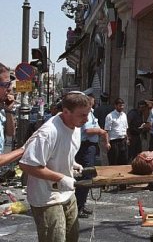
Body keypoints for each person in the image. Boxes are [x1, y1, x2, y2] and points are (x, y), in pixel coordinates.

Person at [19, 91, 92, 242]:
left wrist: (72, 164)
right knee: (55, 238)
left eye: (88, 114)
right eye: (82, 115)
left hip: (66, 192)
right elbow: (27, 165)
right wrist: (61, 178)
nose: (86, 119)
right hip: (46, 196)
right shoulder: (49, 132)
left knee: (72, 236)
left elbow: (61, 152)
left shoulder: (76, 126)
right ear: (66, 112)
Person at [75, 94, 110, 218]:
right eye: (91, 102)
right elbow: (88, 130)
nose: (92, 104)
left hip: (90, 146)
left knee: (87, 176)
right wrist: (101, 131)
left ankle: (81, 204)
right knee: (85, 176)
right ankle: (78, 207)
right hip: (86, 146)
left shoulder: (91, 113)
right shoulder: (87, 114)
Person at [104, 98, 129, 191]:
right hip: (114, 141)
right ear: (115, 106)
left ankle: (122, 183)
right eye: (120, 105)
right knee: (114, 162)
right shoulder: (110, 116)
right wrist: (107, 142)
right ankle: (112, 183)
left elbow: (125, 128)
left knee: (124, 162)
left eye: (122, 105)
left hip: (123, 140)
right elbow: (106, 131)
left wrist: (127, 139)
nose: (121, 107)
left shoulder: (124, 115)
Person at [94, 92, 114, 166]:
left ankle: (105, 167)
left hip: (102, 132)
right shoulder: (112, 108)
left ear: (101, 99)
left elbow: (95, 122)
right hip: (112, 132)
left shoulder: (98, 109)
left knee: (103, 152)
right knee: (112, 151)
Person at [0, 63, 15, 154]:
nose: (10, 89)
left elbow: (10, 134)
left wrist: (8, 110)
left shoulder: (2, 109)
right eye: (6, 84)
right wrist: (23, 150)